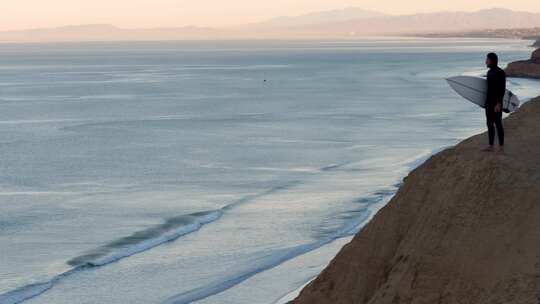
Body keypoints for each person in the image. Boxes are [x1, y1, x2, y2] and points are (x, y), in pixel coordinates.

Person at [483, 52, 506, 153]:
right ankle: (491, 145)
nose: (485, 61)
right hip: (488, 103)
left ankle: (501, 147)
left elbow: (502, 89)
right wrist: (484, 103)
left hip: (496, 103)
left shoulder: (500, 72)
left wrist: (498, 103)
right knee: (489, 123)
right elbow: (489, 89)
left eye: (487, 59)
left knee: (498, 124)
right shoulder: (489, 72)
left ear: (492, 60)